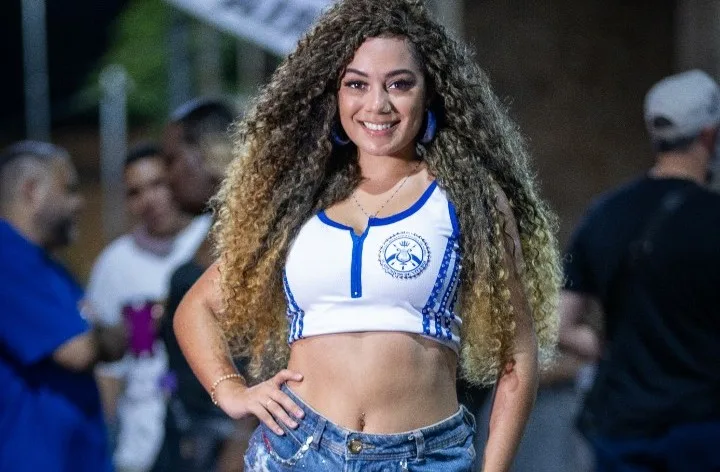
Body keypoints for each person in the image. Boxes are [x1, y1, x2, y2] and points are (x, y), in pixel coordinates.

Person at [175, 1, 561, 471]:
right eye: (357, 84)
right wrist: (231, 390)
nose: (377, 105)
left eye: (399, 84)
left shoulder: (466, 197)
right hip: (299, 451)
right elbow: (197, 308)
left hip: (423, 458)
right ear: (332, 94)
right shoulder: (298, 201)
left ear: (430, 91)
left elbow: (517, 354)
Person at [560, 69, 720, 471]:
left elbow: (560, 324)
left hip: (623, 432)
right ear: (709, 135)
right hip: (704, 431)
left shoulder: (604, 214)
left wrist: (611, 350)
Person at [0, 141, 125, 472]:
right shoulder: (6, 257)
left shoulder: (49, 265)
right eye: (68, 189)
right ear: (31, 191)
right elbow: (77, 350)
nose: (79, 202)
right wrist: (114, 335)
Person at [86, 143, 211, 472]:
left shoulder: (210, 241)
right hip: (139, 445)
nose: (150, 199)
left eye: (158, 184)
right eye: (135, 192)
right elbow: (109, 371)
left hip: (205, 436)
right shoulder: (115, 264)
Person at [153, 98, 253, 472]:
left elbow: (265, 356)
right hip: (184, 441)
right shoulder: (210, 234)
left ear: (210, 154)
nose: (167, 176)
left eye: (172, 160)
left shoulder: (254, 237)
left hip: (224, 447)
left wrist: (238, 447)